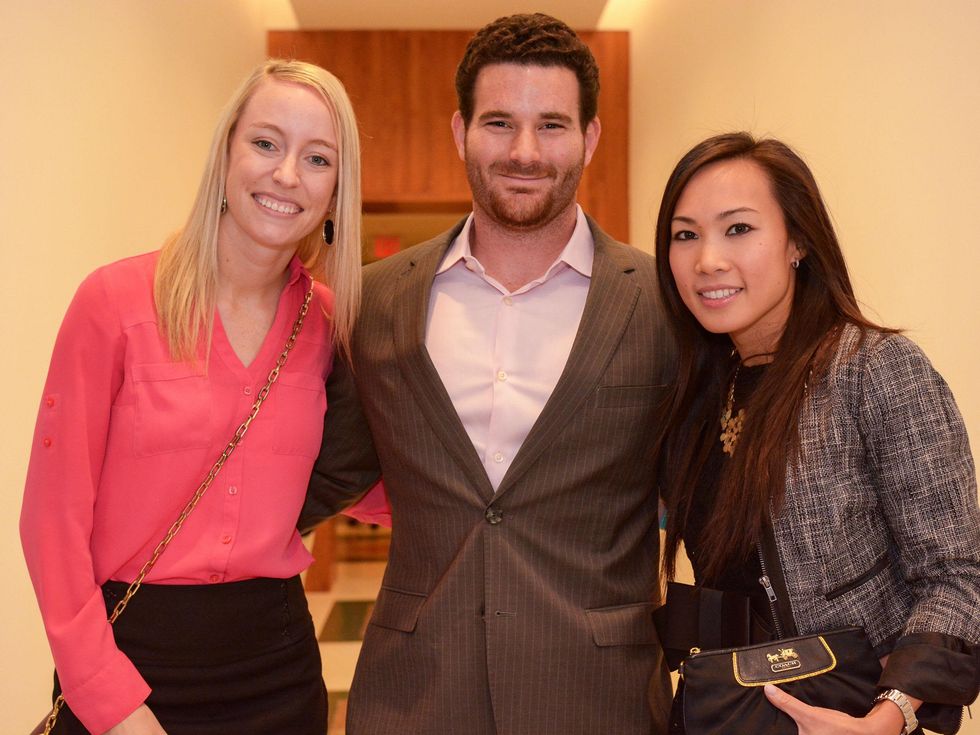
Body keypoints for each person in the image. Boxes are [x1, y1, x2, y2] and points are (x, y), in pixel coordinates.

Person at [302, 13, 676, 735]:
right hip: (414, 697)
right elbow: (323, 470)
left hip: (600, 697)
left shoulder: (659, 302)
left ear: (591, 136)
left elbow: (715, 496)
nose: (526, 151)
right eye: (500, 122)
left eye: (554, 125)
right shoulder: (376, 299)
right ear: (460, 131)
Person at [20, 59, 379, 734]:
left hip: (277, 668)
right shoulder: (114, 303)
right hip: (129, 660)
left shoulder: (331, 324)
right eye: (266, 143)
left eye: (318, 158)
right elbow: (52, 522)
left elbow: (366, 481)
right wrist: (107, 698)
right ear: (226, 152)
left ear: (337, 190)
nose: (286, 175)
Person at [653, 132, 980, 734]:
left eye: (738, 229)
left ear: (798, 241)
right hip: (724, 715)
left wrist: (889, 718)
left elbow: (958, 574)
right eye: (685, 234)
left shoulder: (874, 369)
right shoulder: (697, 391)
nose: (708, 260)